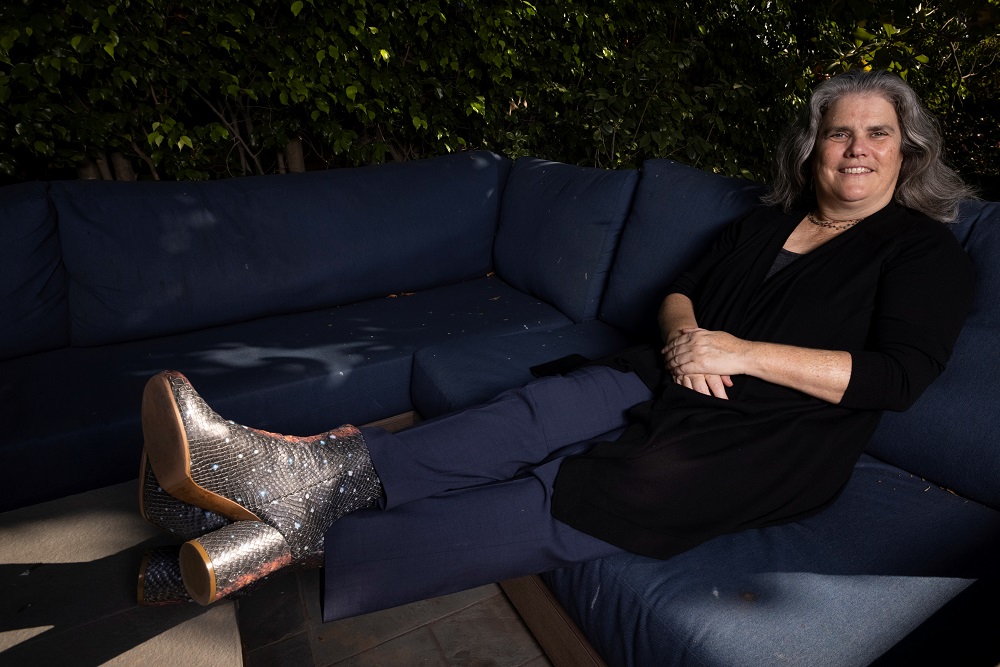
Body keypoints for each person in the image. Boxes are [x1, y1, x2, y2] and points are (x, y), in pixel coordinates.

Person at [136, 69, 976, 615]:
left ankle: (265, 528)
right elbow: (680, 291)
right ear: (813, 146)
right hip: (665, 373)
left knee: (575, 490)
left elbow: (897, 376)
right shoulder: (767, 222)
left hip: (771, 439)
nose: (856, 149)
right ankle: (277, 493)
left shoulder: (923, 251)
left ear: (909, 151)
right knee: (533, 409)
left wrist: (739, 353)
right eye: (840, 132)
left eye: (878, 135)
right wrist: (687, 336)